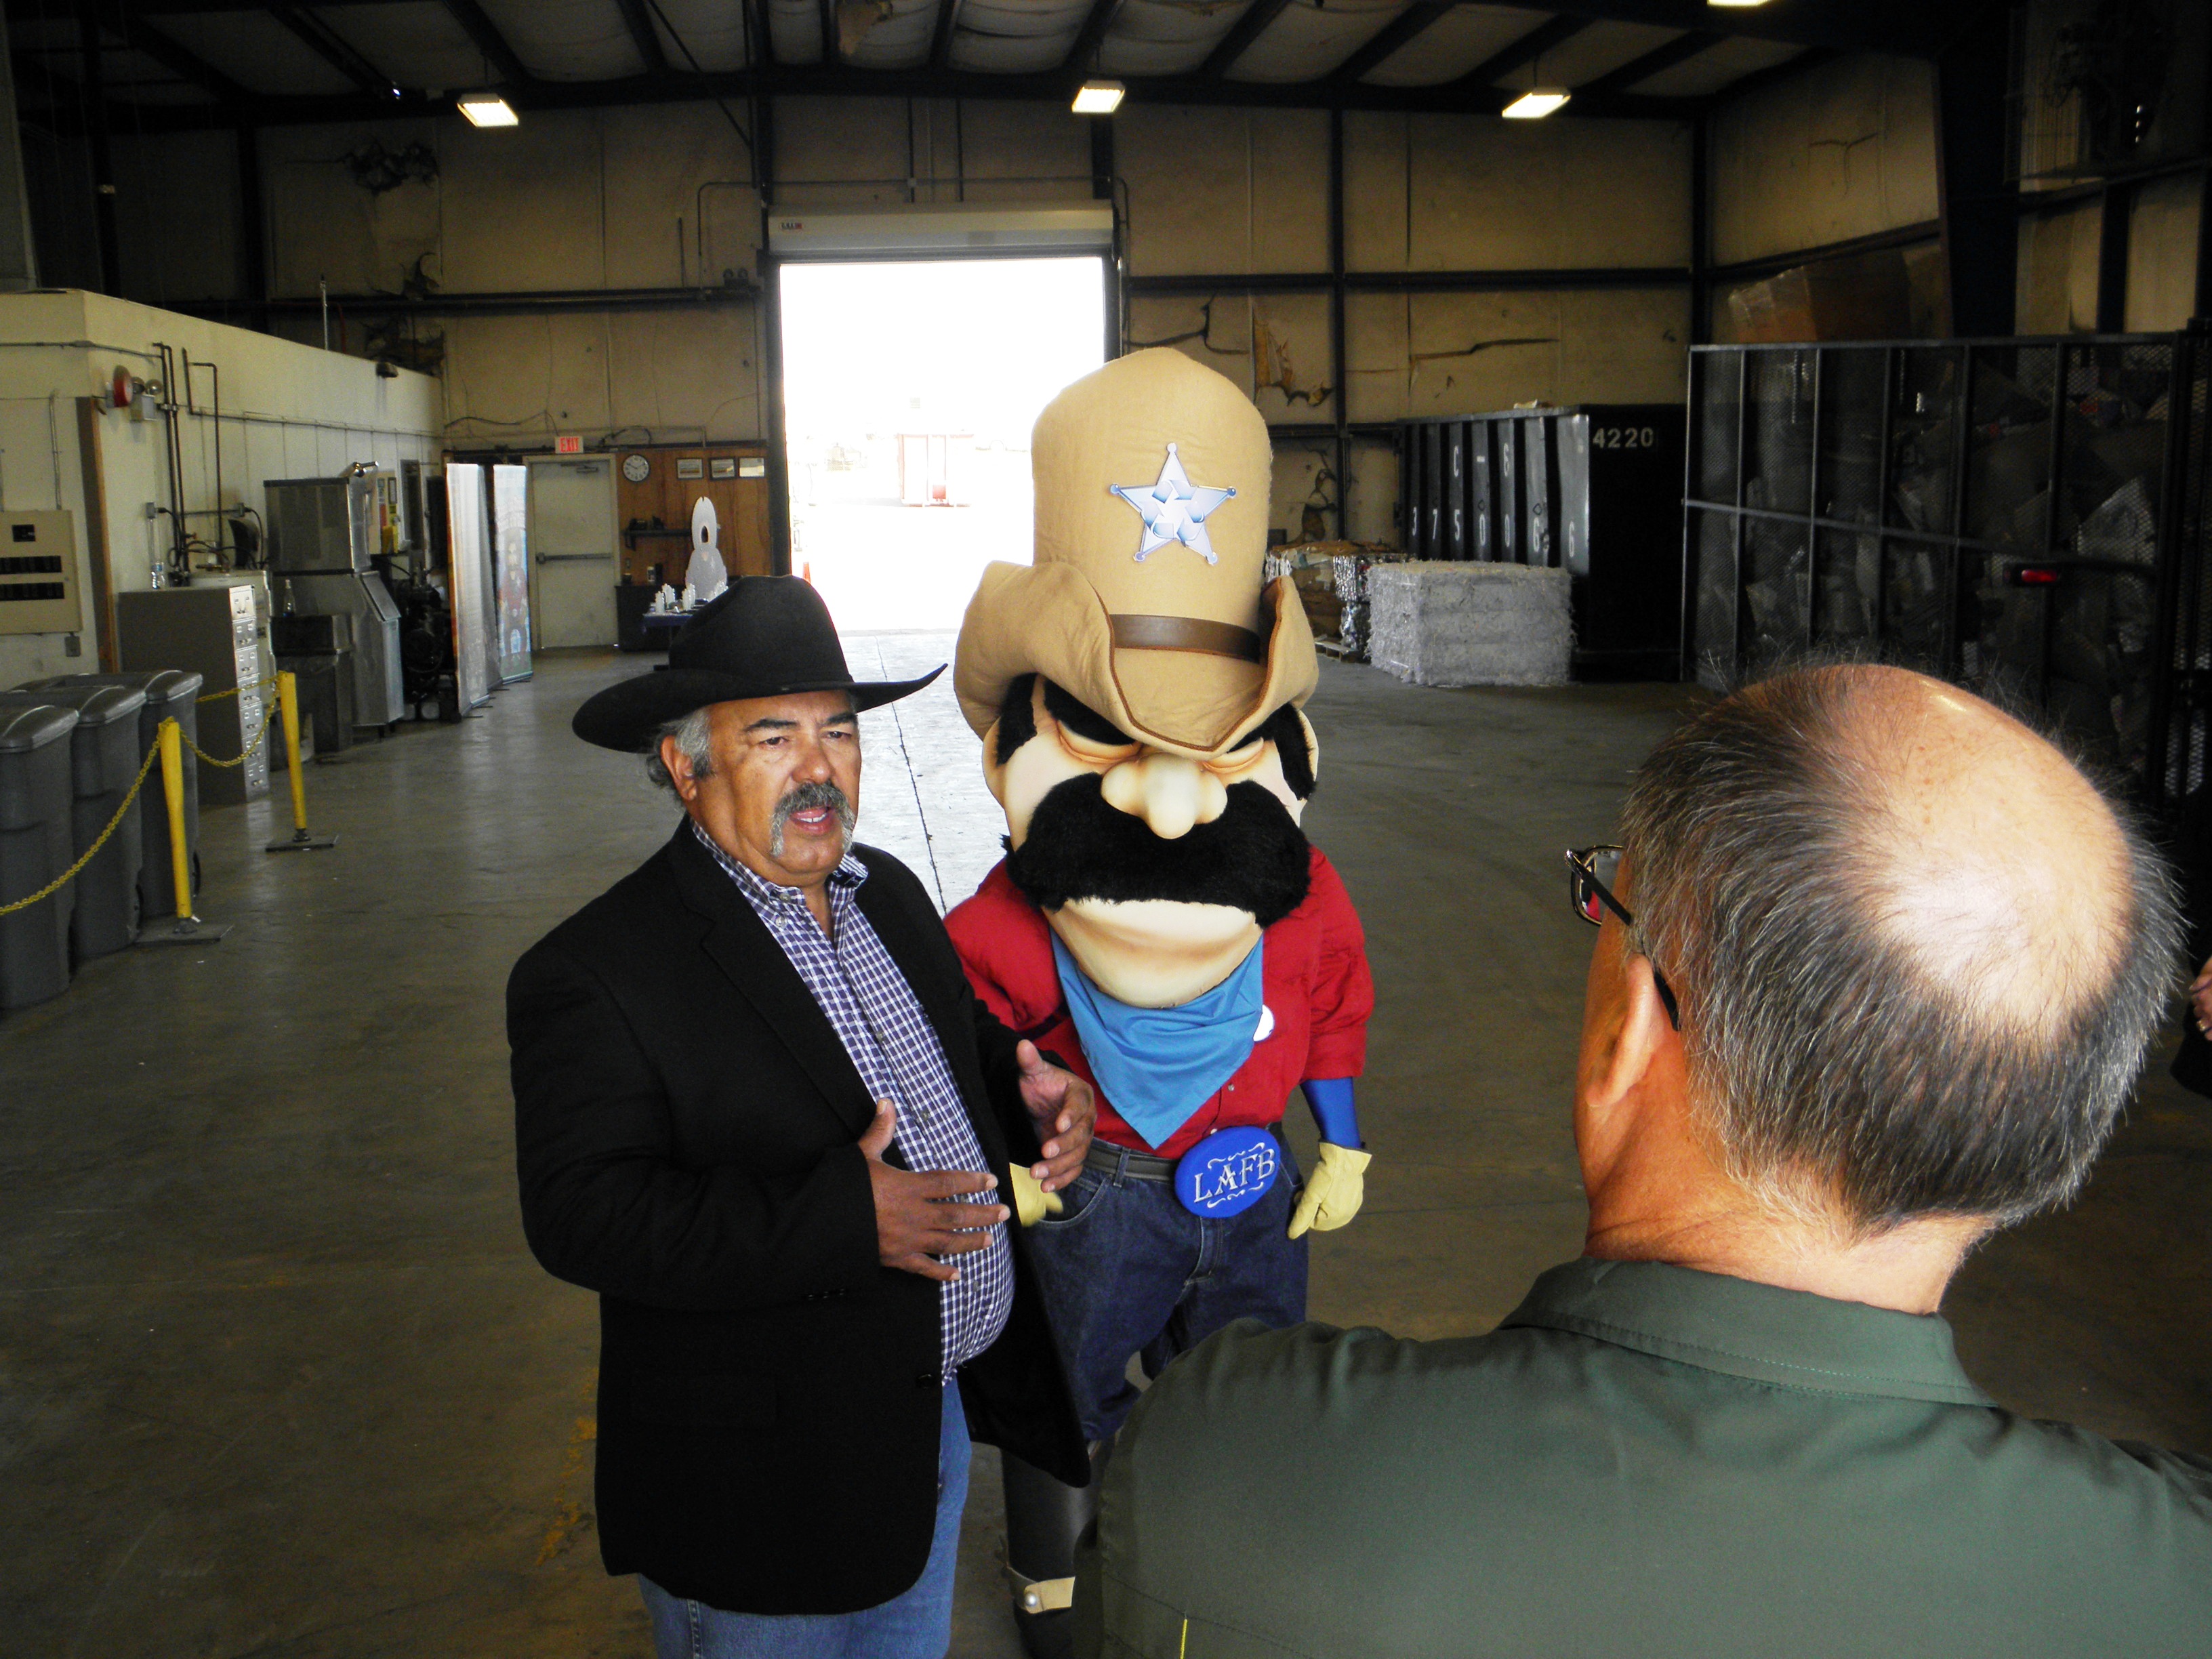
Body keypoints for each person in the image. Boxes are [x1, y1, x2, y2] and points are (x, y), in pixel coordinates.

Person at [1076, 663, 2212, 1659]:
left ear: (1632, 1034)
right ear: (2056, 1133)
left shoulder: (1231, 1457)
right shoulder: (2175, 1575)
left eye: (1610, 899)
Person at [509, 577, 1093, 1659]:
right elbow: (579, 1215)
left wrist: (1031, 1091)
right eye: (773, 737)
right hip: (760, 1488)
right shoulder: (598, 971)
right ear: (686, 766)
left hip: (927, 1425)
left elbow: (951, 1044)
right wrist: (839, 1217)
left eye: (839, 732)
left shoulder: (891, 894)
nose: (818, 768)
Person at [941, 349, 1374, 1656]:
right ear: (1006, 748)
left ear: (1295, 754)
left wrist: (1343, 1140)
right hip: (1100, 1195)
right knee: (1064, 1396)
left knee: (1249, 1389)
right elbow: (961, 1038)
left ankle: (1225, 1569)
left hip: (1253, 1183)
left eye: (1223, 751)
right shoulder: (1002, 924)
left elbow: (1332, 1009)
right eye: (1105, 736)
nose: (1173, 808)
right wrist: (1004, 1160)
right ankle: (1057, 1586)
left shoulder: (1307, 900)